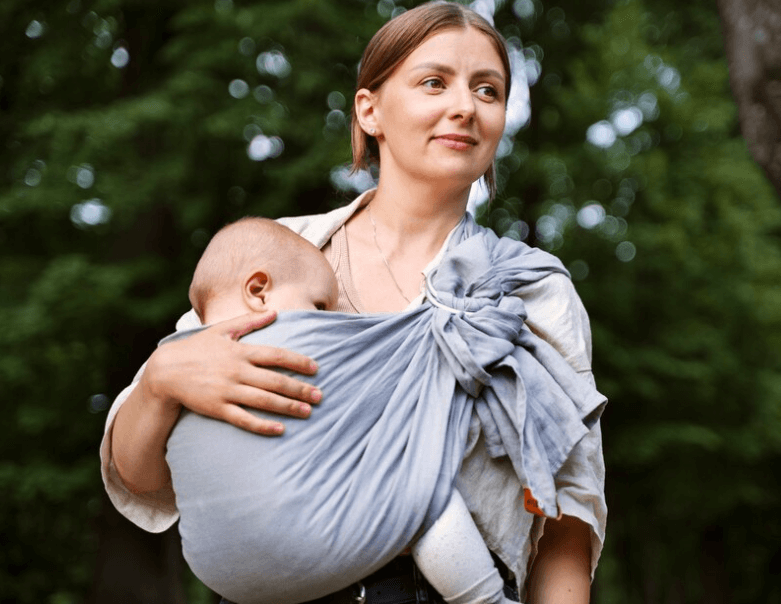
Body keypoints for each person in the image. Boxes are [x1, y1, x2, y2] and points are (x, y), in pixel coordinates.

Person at [101, 2, 606, 603]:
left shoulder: (530, 291)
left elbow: (568, 520)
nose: (465, 107)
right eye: (433, 83)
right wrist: (159, 381)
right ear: (370, 111)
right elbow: (146, 475)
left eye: (488, 90)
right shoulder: (274, 258)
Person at [169, 215, 530, 604]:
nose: (328, 319)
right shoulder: (292, 345)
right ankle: (487, 599)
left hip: (223, 574)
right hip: (317, 540)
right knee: (424, 487)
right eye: (319, 305)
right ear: (259, 291)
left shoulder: (177, 363)